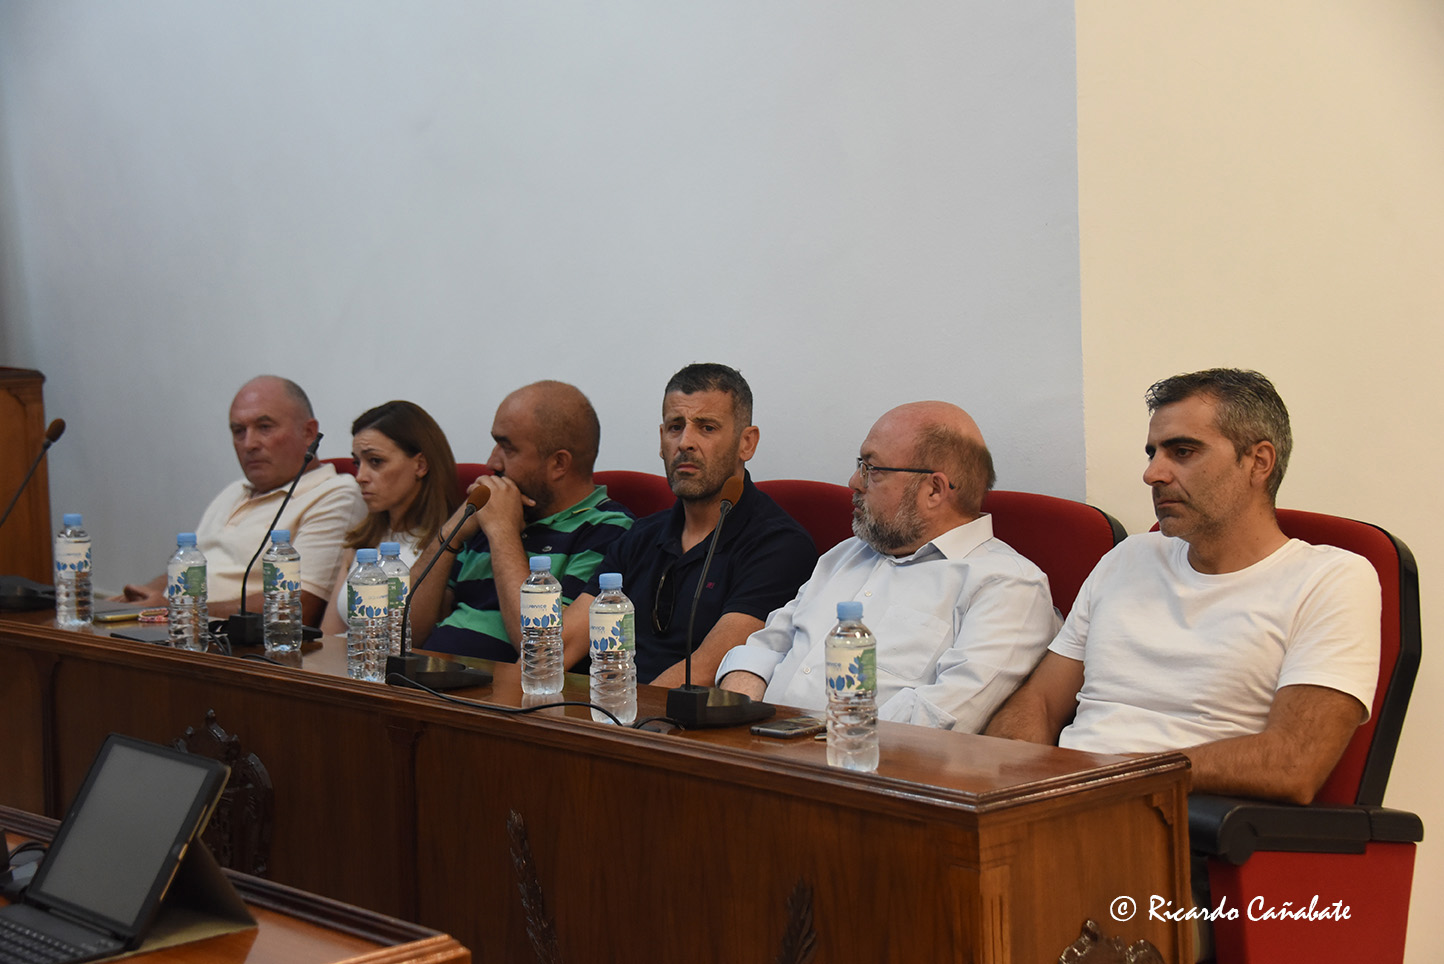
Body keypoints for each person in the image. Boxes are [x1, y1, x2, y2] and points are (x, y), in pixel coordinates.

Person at [984, 369, 1380, 806]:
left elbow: (1292, 763)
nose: (1153, 473)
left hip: (1181, 819)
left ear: (1259, 462)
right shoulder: (1130, 557)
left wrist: (1109, 776)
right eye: (1153, 453)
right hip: (1066, 803)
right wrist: (1006, 773)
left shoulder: (1331, 578)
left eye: (1183, 451)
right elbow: (1040, 701)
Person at [716, 401, 1058, 731]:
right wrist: (736, 723)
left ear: (934, 490)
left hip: (858, 762)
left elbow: (941, 718)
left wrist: (821, 742)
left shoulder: (1006, 585)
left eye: (872, 469)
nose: (854, 481)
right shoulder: (846, 554)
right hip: (756, 747)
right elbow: (766, 647)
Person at [562, 364, 816, 686]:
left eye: (707, 427)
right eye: (675, 427)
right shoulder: (640, 536)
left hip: (668, 714)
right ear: (661, 439)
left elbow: (707, 670)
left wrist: (618, 713)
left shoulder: (780, 545)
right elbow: (563, 644)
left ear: (747, 443)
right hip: (607, 704)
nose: (685, 442)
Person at [407, 380, 633, 661]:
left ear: (558, 464)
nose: (492, 463)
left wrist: (502, 532)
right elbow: (407, 633)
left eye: (507, 448)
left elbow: (541, 651)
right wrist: (452, 532)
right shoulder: (492, 511)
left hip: (505, 687)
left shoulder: (609, 530)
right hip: (426, 677)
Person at [121, 375, 366, 626]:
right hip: (175, 624)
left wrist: (177, 610)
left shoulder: (335, 494)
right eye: (239, 431)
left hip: (230, 640)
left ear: (309, 432)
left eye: (265, 427)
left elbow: (297, 604)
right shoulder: (235, 490)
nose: (249, 444)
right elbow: (202, 568)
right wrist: (141, 597)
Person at [318, 401, 463, 636]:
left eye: (375, 461)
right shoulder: (360, 541)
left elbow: (420, 640)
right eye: (357, 463)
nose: (360, 477)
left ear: (420, 465)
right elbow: (328, 638)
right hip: (346, 657)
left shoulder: (450, 545)